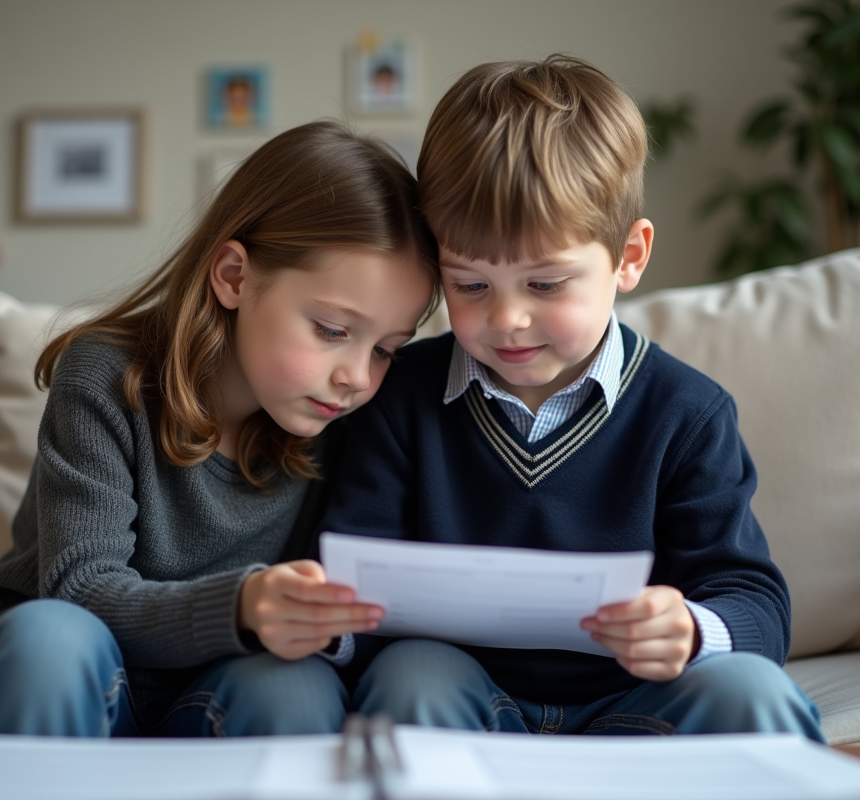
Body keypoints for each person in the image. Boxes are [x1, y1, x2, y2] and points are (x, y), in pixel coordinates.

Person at [320, 56, 826, 741]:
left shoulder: (688, 413)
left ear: (629, 257)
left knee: (753, 693)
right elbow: (358, 577)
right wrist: (324, 623)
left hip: (637, 706)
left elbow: (756, 603)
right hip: (467, 703)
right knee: (411, 675)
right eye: (470, 286)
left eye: (546, 284)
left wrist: (690, 630)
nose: (506, 320)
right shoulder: (399, 397)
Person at [0, 121, 437, 738]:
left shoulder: (354, 419)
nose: (356, 377)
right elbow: (81, 590)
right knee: (48, 638)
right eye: (333, 330)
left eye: (386, 349)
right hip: (71, 669)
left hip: (208, 691)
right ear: (234, 277)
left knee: (297, 687)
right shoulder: (105, 374)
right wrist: (243, 604)